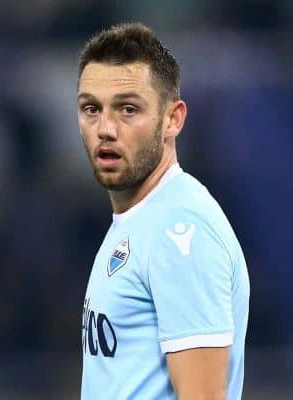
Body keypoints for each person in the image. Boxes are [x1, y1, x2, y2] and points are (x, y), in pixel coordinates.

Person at [77, 23, 249, 399]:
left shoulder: (180, 230)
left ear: (173, 119)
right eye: (91, 108)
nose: (105, 128)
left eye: (128, 109)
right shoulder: (139, 219)